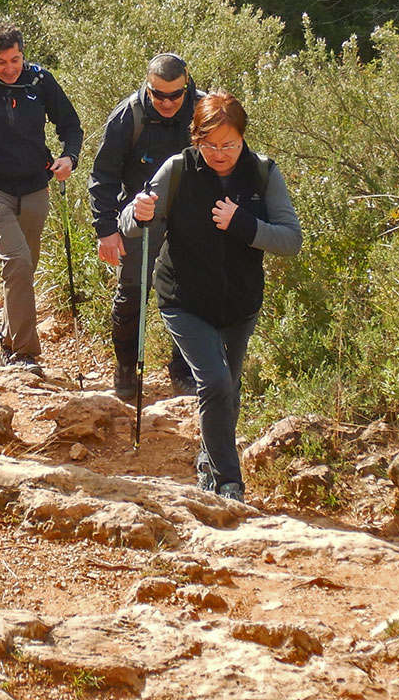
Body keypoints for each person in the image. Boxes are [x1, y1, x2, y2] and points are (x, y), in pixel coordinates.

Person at [124, 92, 301, 501]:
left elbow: (291, 240)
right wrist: (139, 213)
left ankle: (209, 457)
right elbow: (131, 222)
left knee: (230, 389)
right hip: (183, 298)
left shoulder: (262, 173)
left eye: (230, 144)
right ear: (196, 139)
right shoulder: (179, 170)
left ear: (243, 137)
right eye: (210, 144)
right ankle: (227, 481)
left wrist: (242, 223)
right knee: (216, 382)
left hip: (239, 303)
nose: (220, 153)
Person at [0, 22, 83, 370]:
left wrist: (69, 158)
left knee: (24, 269)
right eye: (1, 61)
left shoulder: (40, 80)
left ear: (23, 53)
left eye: (15, 59)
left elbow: (71, 126)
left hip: (35, 186)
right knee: (16, 262)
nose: (9, 68)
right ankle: (24, 353)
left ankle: (8, 337)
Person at [89, 52, 204, 402]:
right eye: (159, 95)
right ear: (148, 87)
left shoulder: (203, 111)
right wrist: (106, 229)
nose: (167, 102)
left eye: (175, 95)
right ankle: (126, 366)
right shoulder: (130, 115)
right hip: (141, 217)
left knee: (191, 294)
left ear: (186, 86)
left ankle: (183, 370)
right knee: (133, 293)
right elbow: (103, 175)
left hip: (191, 219)